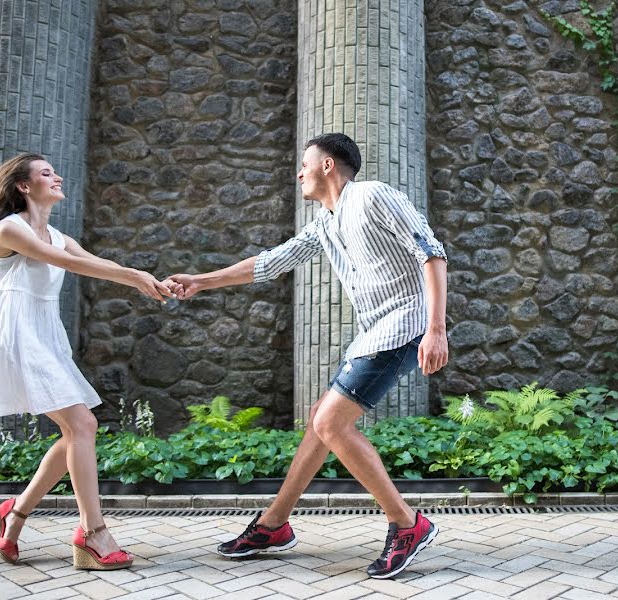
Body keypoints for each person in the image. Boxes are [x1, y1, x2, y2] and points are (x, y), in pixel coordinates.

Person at [165, 133, 448, 579]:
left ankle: (408, 525)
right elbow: (271, 262)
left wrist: (435, 329)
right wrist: (202, 280)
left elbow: (431, 252)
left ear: (329, 166)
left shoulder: (373, 196)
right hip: (373, 332)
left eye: (305, 164)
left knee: (330, 423)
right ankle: (273, 525)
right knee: (322, 419)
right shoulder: (326, 221)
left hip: (405, 324)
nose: (299, 172)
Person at [0, 153, 176, 570]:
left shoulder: (56, 234)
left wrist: (146, 279)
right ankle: (92, 532)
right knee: (82, 425)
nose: (56, 176)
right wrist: (132, 277)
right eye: (46, 173)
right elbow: (68, 263)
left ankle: (14, 513)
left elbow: (95, 262)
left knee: (75, 429)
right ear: (23, 186)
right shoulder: (9, 228)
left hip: (44, 334)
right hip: (17, 335)